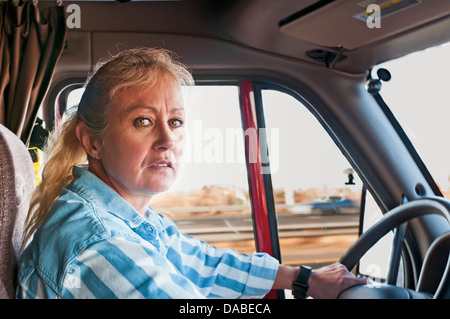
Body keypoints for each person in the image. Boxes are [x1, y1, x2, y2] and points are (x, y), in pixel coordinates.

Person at [17, 48, 366, 299]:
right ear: (92, 142)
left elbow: (200, 262)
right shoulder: (98, 243)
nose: (167, 140)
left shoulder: (131, 220)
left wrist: (301, 278)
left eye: (175, 121)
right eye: (143, 121)